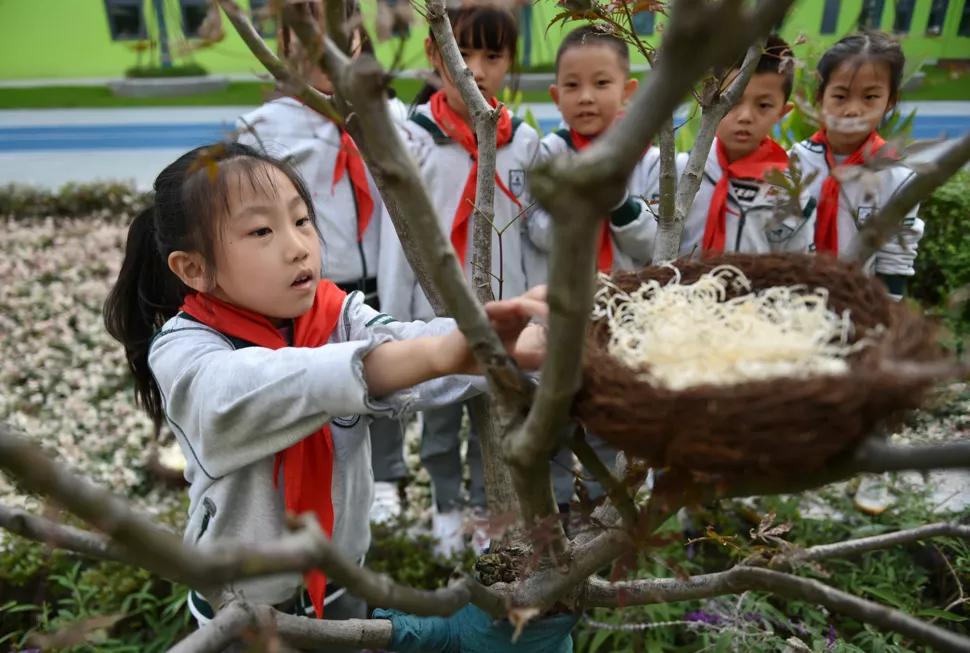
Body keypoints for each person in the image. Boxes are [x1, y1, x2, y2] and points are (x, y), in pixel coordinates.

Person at [103, 142, 550, 651]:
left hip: (340, 586)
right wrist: (437, 355)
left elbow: (408, 348)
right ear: (193, 269)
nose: (297, 246)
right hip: (239, 608)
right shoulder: (185, 350)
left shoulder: (336, 316)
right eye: (261, 231)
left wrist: (517, 346)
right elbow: (261, 386)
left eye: (301, 221)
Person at [235, 0, 410, 525]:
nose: (324, 47)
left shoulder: (389, 117)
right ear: (282, 45)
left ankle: (389, 477)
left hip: (383, 275)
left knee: (387, 369)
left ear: (359, 39)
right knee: (324, 380)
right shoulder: (263, 129)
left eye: (340, 30)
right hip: (313, 285)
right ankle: (328, 481)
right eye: (305, 34)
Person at [378, 3, 541, 557]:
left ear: (510, 61)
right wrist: (397, 319)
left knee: (498, 428)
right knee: (441, 427)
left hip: (507, 322)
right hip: (435, 321)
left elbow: (534, 237)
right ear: (433, 54)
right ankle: (447, 513)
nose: (475, 69)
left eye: (492, 56)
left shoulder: (522, 142)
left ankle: (487, 517)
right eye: (460, 54)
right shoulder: (412, 142)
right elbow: (399, 241)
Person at [787, 31, 924, 300]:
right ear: (820, 96)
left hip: (859, 305)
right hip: (790, 301)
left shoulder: (897, 178)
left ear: (890, 101)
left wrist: (884, 315)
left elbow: (895, 261)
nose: (853, 110)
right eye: (840, 96)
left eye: (870, 97)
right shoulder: (794, 163)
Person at [527, 24, 659, 275]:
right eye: (572, 85)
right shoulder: (548, 155)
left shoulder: (651, 162)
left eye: (601, 83)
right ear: (556, 97)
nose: (585, 97)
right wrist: (579, 203)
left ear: (627, 91)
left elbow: (655, 243)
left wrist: (619, 201)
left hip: (633, 293)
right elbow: (537, 232)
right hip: (566, 293)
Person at [678, 35, 799, 257]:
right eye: (731, 101)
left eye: (763, 105)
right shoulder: (680, 171)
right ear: (707, 98)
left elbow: (796, 262)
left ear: (782, 112)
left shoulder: (789, 188)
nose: (745, 116)